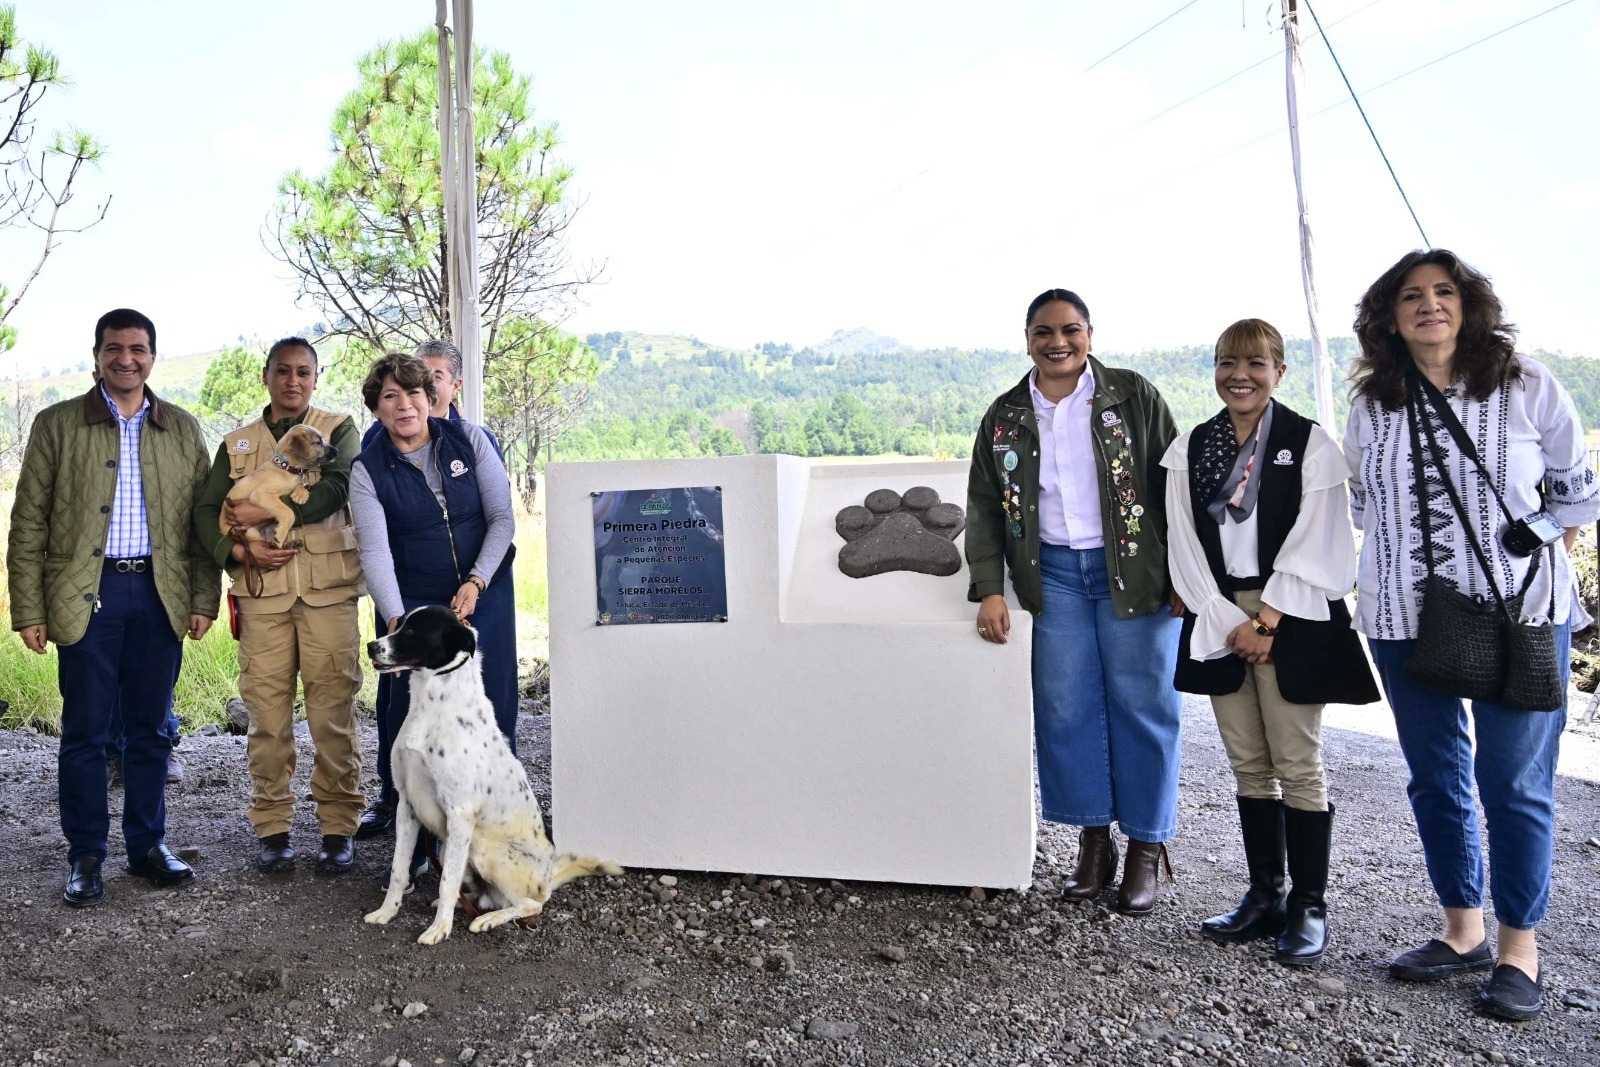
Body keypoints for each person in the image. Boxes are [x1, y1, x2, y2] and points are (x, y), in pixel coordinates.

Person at [1344, 249, 1600, 1021]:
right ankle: (1464, 930)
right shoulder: (1371, 403)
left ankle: (1520, 946)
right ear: (1389, 316)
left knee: (1514, 782)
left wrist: (1532, 531)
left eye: (1444, 291)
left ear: (1469, 303)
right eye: (1411, 296)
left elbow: (1579, 494)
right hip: (1401, 613)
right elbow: (1361, 501)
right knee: (1433, 773)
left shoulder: (1526, 385)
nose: (1429, 305)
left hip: (1516, 610)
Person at [1163, 318, 1377, 966]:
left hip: (1293, 608)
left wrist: (1267, 620)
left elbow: (1321, 536)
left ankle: (1310, 905)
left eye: (1256, 362)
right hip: (1218, 608)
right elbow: (1182, 536)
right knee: (1248, 760)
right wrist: (1223, 613)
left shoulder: (1308, 443)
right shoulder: (1190, 446)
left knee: (1297, 759)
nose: (1241, 374)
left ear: (1279, 371)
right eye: (1228, 361)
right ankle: (1265, 894)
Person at [966, 288, 1183, 915]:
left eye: (1070, 329)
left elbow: (1172, 488)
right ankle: (1095, 842)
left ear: (1090, 333)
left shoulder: (1131, 396)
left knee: (1145, 705)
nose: (1057, 342)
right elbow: (983, 506)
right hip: (1052, 575)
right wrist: (988, 588)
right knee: (1065, 707)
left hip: (1135, 574)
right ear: (1027, 338)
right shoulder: (1006, 414)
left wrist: (1183, 574)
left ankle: (1145, 847)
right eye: (1043, 332)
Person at [7, 308, 220, 907]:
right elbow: (28, 524)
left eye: (138, 349)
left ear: (153, 355)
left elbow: (202, 525)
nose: (126, 359)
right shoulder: (57, 424)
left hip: (160, 594)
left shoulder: (180, 428)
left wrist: (204, 597)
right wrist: (29, 608)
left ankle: (147, 846)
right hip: (84, 594)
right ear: (96, 354)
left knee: (151, 728)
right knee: (86, 733)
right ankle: (86, 856)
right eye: (114, 348)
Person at [191, 337, 366, 875]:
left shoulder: (338, 430)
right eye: (283, 371)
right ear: (266, 376)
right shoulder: (239, 443)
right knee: (267, 718)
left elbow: (340, 487)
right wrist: (237, 546)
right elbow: (204, 509)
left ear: (316, 377)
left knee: (332, 713)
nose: (293, 381)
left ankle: (338, 826)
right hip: (262, 597)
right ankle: (273, 826)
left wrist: (261, 505)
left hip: (326, 595)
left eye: (304, 372)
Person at [349, 353, 518, 881]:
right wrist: (397, 622)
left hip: (481, 594)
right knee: (414, 723)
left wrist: (476, 580)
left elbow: (502, 517)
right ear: (376, 410)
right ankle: (420, 846)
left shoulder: (469, 442)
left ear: (432, 397)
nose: (405, 406)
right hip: (415, 611)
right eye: (390, 398)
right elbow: (374, 554)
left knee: (490, 710)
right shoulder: (367, 468)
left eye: (414, 393)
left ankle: (489, 840)